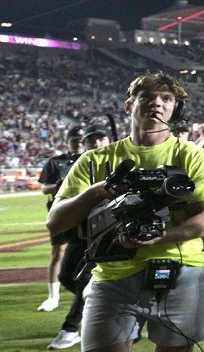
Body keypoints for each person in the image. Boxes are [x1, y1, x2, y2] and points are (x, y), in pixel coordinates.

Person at [46, 72, 204, 351]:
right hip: (111, 275)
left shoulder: (197, 157)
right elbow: (55, 222)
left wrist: (159, 237)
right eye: (148, 97)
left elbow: (203, 222)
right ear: (129, 106)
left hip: (180, 271)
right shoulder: (94, 160)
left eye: (167, 98)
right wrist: (99, 190)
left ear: (176, 109)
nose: (157, 103)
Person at [46, 124, 112, 350]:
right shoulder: (78, 167)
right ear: (82, 144)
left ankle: (70, 328)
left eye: (100, 138)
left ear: (108, 140)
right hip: (79, 233)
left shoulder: (117, 161)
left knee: (86, 283)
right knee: (66, 276)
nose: (96, 143)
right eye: (90, 140)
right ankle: (104, 305)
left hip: (104, 233)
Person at [37, 125, 85, 313]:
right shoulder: (56, 162)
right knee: (58, 253)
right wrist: (62, 184)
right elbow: (44, 188)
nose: (79, 144)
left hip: (86, 213)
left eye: (81, 140)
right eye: (75, 140)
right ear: (68, 142)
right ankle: (53, 297)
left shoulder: (91, 158)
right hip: (61, 212)